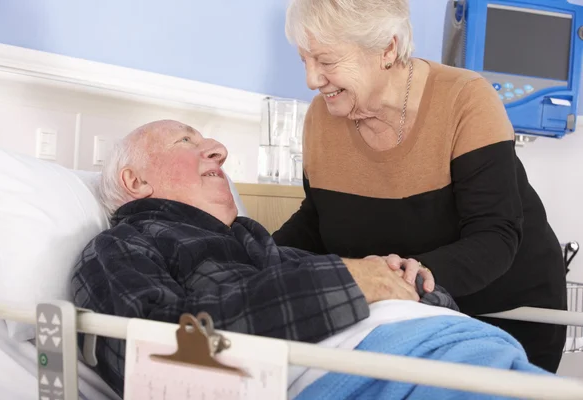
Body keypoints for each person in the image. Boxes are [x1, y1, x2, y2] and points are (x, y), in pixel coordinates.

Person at [273, 0, 567, 373]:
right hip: (405, 318)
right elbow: (317, 220)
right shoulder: (322, 115)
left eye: (326, 62)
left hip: (504, 311)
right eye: (305, 60)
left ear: (388, 49)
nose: (312, 80)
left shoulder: (465, 99)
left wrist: (404, 278)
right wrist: (260, 257)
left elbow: (495, 234)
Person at [70, 119, 458, 397]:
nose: (219, 150)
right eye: (185, 141)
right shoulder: (119, 247)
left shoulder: (262, 246)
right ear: (135, 181)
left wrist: (410, 281)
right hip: (373, 374)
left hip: (450, 345)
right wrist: (349, 282)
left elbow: (422, 298)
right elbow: (150, 357)